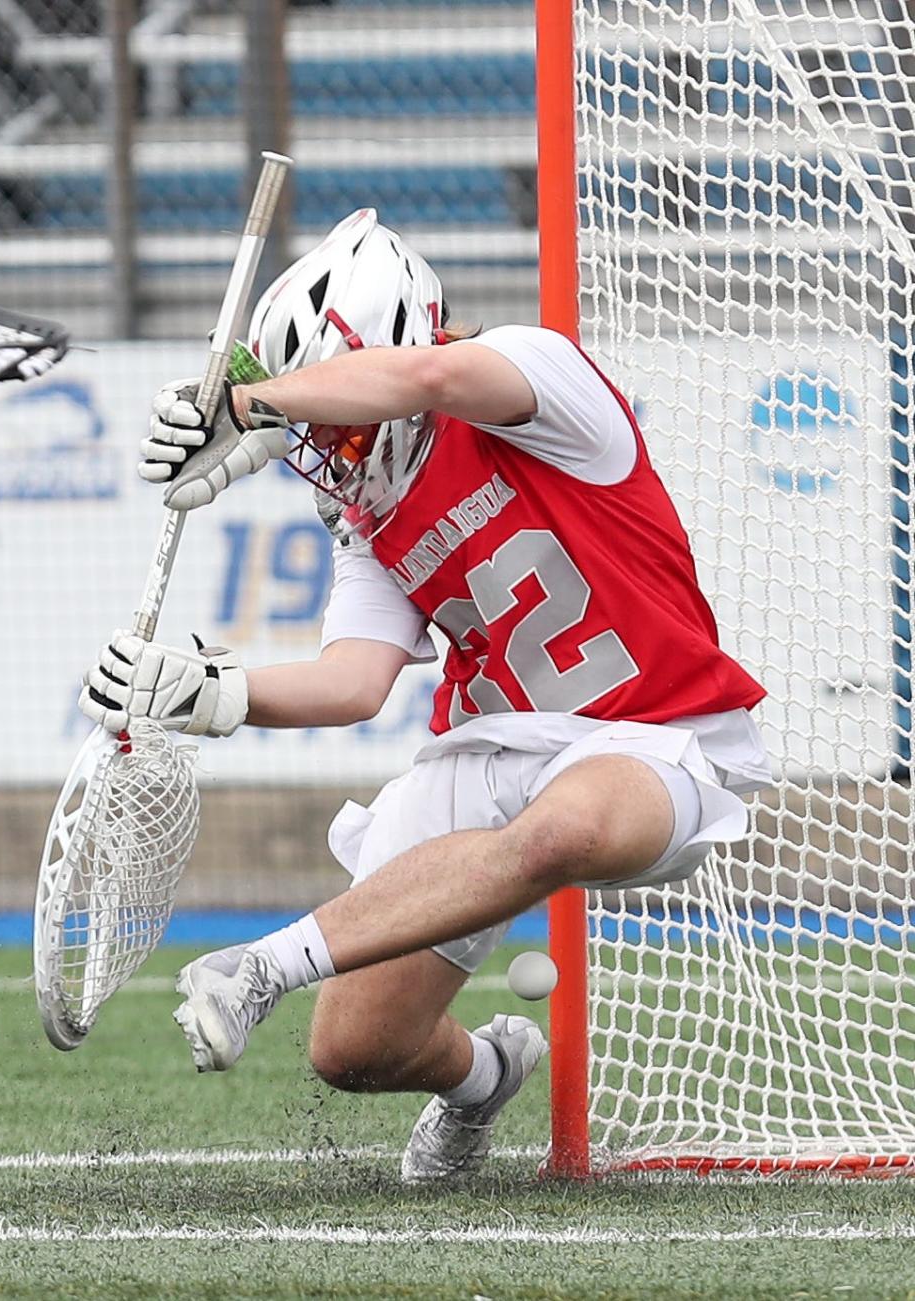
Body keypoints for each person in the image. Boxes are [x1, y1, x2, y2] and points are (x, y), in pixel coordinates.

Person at [80, 208, 771, 1182]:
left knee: (563, 830)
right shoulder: (373, 514)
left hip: (652, 733)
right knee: (355, 1050)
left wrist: (250, 403)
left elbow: (433, 378)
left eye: (335, 417)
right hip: (490, 747)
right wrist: (208, 690)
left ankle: (264, 964)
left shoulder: (533, 370)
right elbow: (352, 682)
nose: (330, 449)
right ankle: (486, 1075)